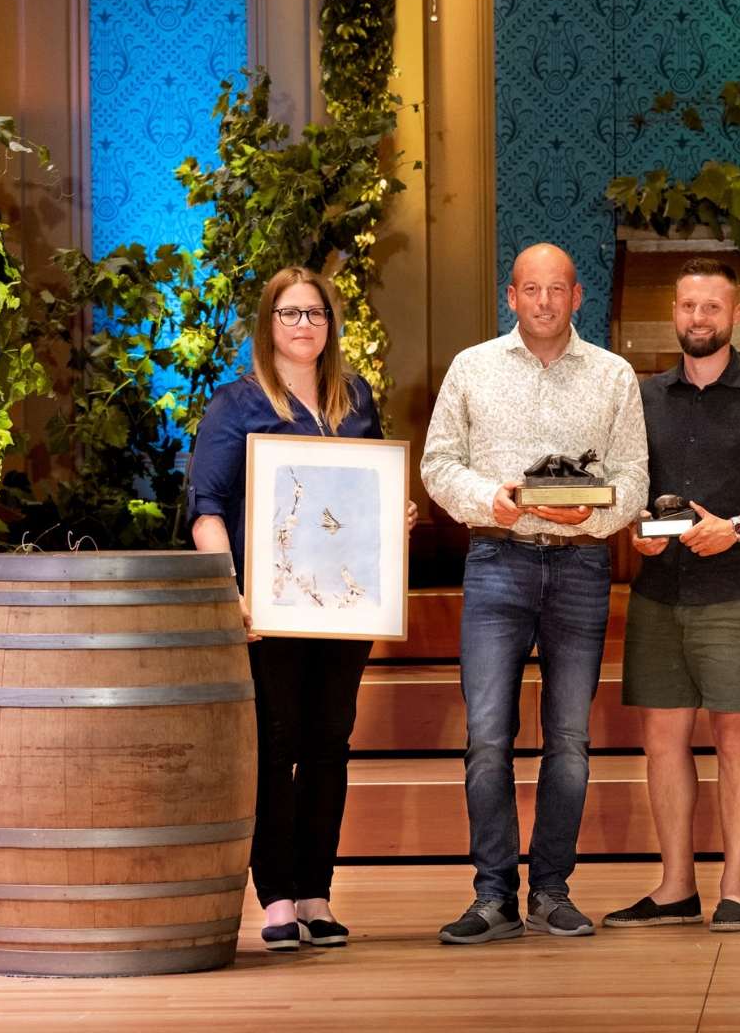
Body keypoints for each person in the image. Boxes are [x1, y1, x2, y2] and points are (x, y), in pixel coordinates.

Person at [420, 243, 648, 944]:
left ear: (577, 297)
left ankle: (552, 890)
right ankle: (493, 896)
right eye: (531, 289)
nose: (544, 301)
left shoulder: (613, 375)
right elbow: (437, 465)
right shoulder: (472, 368)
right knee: (488, 737)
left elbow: (634, 475)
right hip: (497, 562)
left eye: (557, 289)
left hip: (581, 567)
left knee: (570, 740)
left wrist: (594, 519)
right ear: (511, 296)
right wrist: (491, 499)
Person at [189, 266, 416, 951]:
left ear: (330, 324)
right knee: (275, 745)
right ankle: (278, 898)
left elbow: (365, 493)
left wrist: (395, 511)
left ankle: (317, 894)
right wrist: (229, 592)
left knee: (328, 747)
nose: (303, 325)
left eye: (315, 313)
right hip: (269, 611)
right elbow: (206, 509)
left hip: (345, 607)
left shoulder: (357, 398)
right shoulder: (235, 404)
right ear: (269, 323)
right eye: (289, 313)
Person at [606, 259, 740, 933]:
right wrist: (635, 533)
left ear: (735, 316)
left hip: (737, 590)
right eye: (688, 306)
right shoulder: (642, 395)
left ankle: (735, 888)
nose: (699, 318)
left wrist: (737, 528)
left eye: (712, 307)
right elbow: (627, 490)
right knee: (662, 741)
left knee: (734, 738)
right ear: (674, 312)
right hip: (658, 591)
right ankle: (676, 888)